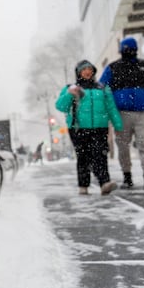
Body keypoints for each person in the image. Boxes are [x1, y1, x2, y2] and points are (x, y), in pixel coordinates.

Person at [98, 37, 144, 190]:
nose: (128, 51)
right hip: (125, 112)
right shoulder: (118, 67)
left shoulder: (142, 66)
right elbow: (102, 88)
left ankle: (141, 176)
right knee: (130, 145)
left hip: (137, 111)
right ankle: (135, 176)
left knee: (139, 144)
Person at [56, 59, 122, 195]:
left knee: (100, 154)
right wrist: (69, 94)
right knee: (83, 156)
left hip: (100, 127)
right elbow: (61, 106)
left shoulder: (102, 88)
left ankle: (104, 183)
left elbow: (111, 108)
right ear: (79, 72)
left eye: (90, 69)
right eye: (84, 69)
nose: (87, 72)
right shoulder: (71, 88)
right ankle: (83, 185)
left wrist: (118, 125)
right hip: (78, 128)